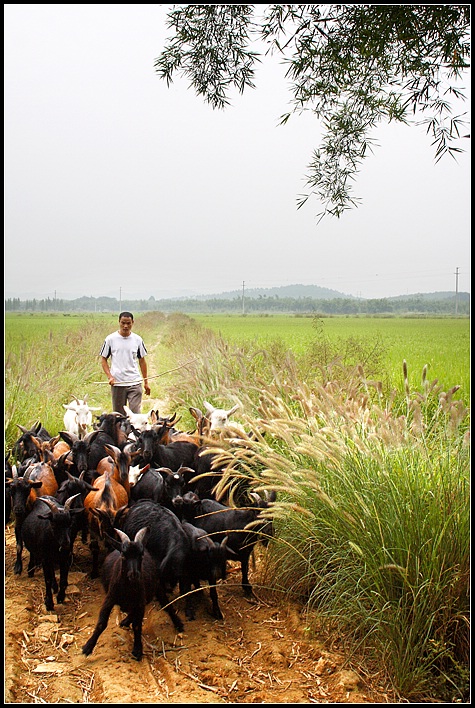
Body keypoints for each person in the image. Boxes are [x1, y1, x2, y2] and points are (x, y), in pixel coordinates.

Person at [99, 311, 151, 415]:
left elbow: (142, 361)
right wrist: (110, 377)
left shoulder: (138, 340)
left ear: (133, 323)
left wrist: (146, 382)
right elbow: (103, 359)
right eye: (123, 323)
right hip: (118, 383)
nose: (125, 326)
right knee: (119, 416)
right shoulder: (110, 339)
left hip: (134, 382)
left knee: (135, 415)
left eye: (128, 323)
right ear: (119, 322)